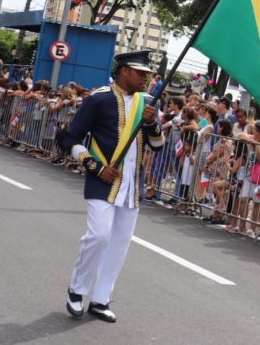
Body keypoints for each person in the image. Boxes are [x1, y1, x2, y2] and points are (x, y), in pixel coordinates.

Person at [59, 51, 163, 322]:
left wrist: (152, 123)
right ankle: (77, 289)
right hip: (101, 182)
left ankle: (101, 298)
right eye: (142, 73)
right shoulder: (99, 98)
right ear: (125, 71)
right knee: (99, 235)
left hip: (132, 185)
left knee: (119, 244)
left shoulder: (149, 103)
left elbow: (157, 145)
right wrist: (94, 166)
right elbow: (70, 139)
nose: (146, 78)